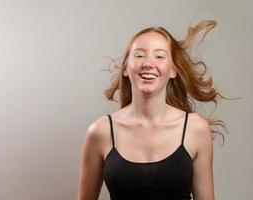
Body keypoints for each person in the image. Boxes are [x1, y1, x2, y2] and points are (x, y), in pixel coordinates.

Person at [77, 20, 228, 200]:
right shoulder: (100, 131)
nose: (148, 63)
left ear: (173, 70)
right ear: (125, 68)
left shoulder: (195, 129)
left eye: (159, 56)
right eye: (139, 55)